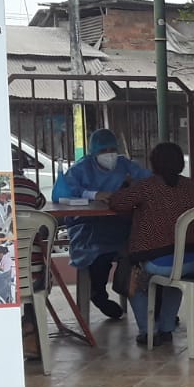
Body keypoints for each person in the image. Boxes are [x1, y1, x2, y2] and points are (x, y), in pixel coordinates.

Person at [107, 142, 194, 347]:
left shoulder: (146, 187)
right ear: (180, 163)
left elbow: (117, 202)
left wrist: (125, 186)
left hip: (162, 263)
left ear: (153, 164)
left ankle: (148, 331)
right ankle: (166, 328)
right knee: (176, 275)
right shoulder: (193, 187)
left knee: (133, 272)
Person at [52, 128, 151, 320]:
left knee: (136, 249)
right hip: (87, 225)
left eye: (112, 149)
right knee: (98, 252)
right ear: (93, 152)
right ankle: (98, 293)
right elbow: (65, 192)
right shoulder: (81, 168)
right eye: (103, 151)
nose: (109, 155)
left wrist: (132, 187)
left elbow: (148, 180)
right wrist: (94, 195)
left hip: (120, 223)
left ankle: (136, 295)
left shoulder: (125, 165)